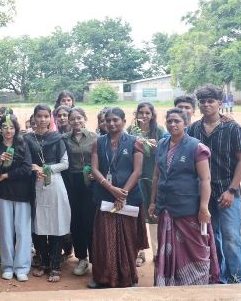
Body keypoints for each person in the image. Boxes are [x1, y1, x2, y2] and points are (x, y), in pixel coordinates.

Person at [149, 108, 219, 286]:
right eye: (170, 121)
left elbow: (205, 179)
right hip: (166, 206)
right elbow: (156, 176)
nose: (173, 124)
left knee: (196, 248)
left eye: (177, 121)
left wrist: (204, 207)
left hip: (189, 208)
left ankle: (196, 285)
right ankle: (170, 285)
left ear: (186, 124)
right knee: (170, 249)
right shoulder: (162, 144)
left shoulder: (197, 147)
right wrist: (152, 202)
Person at [188, 84, 241, 283]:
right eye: (203, 102)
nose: (206, 105)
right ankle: (219, 278)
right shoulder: (193, 129)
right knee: (212, 237)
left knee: (232, 237)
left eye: (210, 101)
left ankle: (237, 279)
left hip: (228, 192)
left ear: (219, 104)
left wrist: (231, 190)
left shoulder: (233, 128)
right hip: (203, 195)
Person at [89, 107, 148, 289]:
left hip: (128, 197)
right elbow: (94, 169)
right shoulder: (98, 142)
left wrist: (122, 193)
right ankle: (103, 278)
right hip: (105, 196)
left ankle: (127, 278)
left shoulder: (135, 142)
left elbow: (137, 171)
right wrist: (111, 188)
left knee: (127, 239)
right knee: (104, 239)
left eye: (115, 120)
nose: (111, 123)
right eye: (108, 120)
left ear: (123, 121)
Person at [24, 104, 70, 283]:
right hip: (35, 184)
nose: (42, 120)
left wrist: (45, 168)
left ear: (50, 118)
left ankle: (56, 265)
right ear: (34, 117)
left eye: (46, 116)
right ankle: (43, 263)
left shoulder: (57, 138)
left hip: (55, 184)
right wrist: (33, 169)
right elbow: (25, 162)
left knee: (56, 224)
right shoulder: (27, 139)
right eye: (39, 116)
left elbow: (65, 163)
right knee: (39, 224)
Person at [0, 113, 32, 282]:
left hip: (22, 193)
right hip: (3, 194)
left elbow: (27, 169)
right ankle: (7, 266)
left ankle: (21, 267)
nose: (8, 130)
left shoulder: (23, 144)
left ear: (16, 129)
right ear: (0, 129)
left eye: (11, 127)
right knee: (6, 231)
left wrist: (6, 175)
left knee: (22, 231)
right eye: (5, 127)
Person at [127, 102, 167, 267]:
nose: (144, 116)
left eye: (147, 113)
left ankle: (158, 252)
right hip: (136, 177)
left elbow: (166, 149)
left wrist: (154, 144)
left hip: (153, 177)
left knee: (154, 214)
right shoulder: (130, 131)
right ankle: (139, 251)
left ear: (152, 115)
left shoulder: (159, 131)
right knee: (137, 214)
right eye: (140, 113)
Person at [63, 107, 97, 276]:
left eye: (79, 118)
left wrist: (95, 173)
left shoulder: (94, 138)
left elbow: (101, 160)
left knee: (90, 221)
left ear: (85, 119)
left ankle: (95, 259)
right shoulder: (63, 139)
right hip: (71, 182)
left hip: (90, 183)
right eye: (73, 119)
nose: (76, 122)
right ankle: (82, 258)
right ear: (69, 121)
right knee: (75, 221)